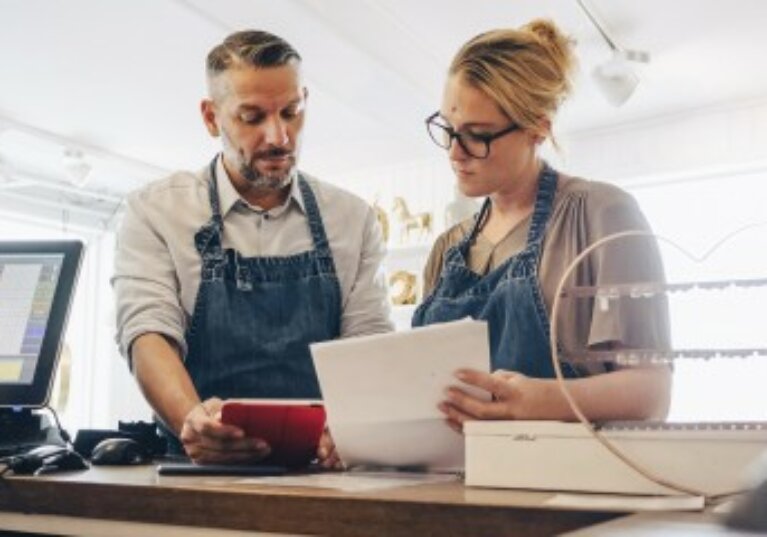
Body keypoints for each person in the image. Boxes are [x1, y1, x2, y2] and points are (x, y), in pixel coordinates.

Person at [113, 30, 392, 464]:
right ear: (211, 118)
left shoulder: (353, 220)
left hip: (325, 474)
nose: (279, 136)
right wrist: (192, 421)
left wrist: (352, 426)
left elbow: (369, 341)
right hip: (196, 472)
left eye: (291, 112)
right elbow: (148, 333)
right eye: (253, 117)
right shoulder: (154, 211)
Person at [412, 19, 672, 431]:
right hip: (453, 485)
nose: (455, 153)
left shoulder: (602, 216)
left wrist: (540, 400)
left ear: (538, 129)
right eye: (448, 129)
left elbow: (651, 392)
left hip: (563, 484)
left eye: (477, 135)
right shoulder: (447, 249)